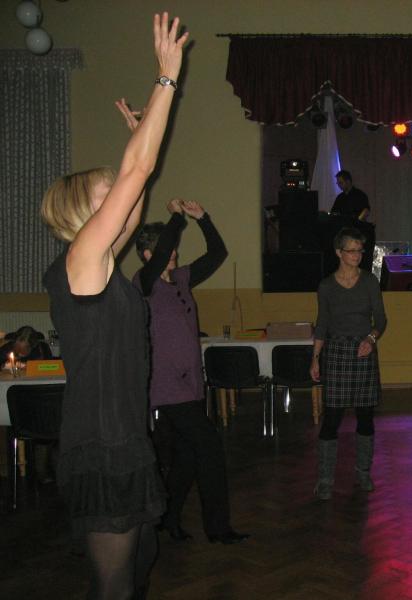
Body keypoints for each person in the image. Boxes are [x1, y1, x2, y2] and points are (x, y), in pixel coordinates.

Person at [40, 13, 187, 599]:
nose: (120, 205)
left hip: (124, 436)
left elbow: (134, 193)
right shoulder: (79, 263)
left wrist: (140, 137)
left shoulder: (100, 265)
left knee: (142, 556)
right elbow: (138, 169)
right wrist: (166, 78)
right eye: (109, 196)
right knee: (116, 586)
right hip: (101, 445)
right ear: (83, 213)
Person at [133, 198, 249, 545]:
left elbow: (217, 254)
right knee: (209, 448)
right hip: (167, 386)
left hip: (192, 384)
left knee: (186, 455)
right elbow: (164, 250)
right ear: (147, 255)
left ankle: (167, 519)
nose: (173, 253)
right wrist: (175, 217)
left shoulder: (181, 278)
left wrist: (203, 218)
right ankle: (218, 528)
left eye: (172, 248)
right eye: (165, 249)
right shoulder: (144, 283)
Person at [310, 227, 387, 500]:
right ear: (338, 252)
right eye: (351, 250)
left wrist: (371, 339)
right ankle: (325, 479)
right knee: (332, 419)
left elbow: (381, 320)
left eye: (360, 250)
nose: (357, 255)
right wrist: (315, 358)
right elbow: (322, 324)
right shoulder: (327, 286)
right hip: (337, 352)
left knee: (365, 417)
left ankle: (363, 472)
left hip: (363, 351)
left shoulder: (369, 282)